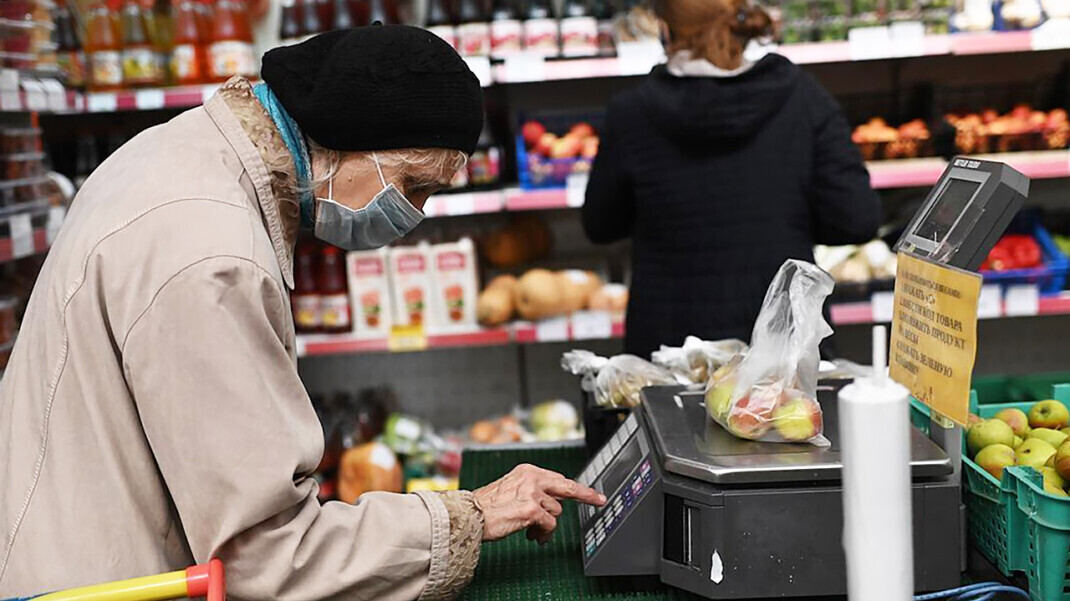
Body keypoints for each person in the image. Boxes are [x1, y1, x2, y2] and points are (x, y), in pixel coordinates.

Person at [0, 26, 604, 601]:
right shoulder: (213, 255)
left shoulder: (181, 151)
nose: (413, 213)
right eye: (414, 184)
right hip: (99, 579)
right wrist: (466, 518)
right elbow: (269, 557)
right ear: (349, 138)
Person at [582, 0, 881, 359]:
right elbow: (856, 219)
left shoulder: (631, 114)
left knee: (670, 418)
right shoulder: (803, 98)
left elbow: (600, 225)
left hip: (671, 353)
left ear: (665, 29)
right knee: (786, 418)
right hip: (780, 351)